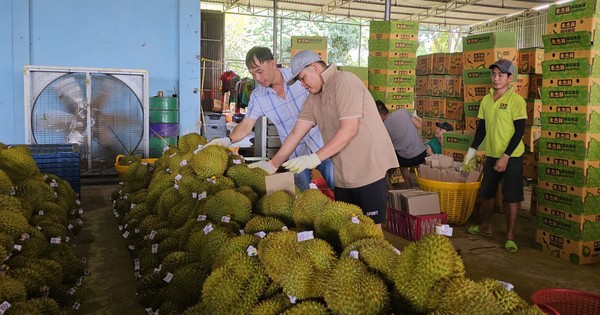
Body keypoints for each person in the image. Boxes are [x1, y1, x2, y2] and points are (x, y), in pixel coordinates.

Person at [253, 50, 398, 227]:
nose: (302, 85)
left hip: (367, 168)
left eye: (302, 78)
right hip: (343, 174)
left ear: (314, 67)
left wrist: (315, 157)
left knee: (370, 230)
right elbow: (296, 133)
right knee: (349, 228)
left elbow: (349, 129)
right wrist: (272, 164)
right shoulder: (314, 98)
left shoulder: (344, 81)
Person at [205, 46, 334, 191]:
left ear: (272, 63)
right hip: (293, 153)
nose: (257, 78)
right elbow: (247, 124)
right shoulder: (258, 96)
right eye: (253, 74)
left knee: (340, 186)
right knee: (301, 198)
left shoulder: (298, 76)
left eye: (259, 71)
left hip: (322, 143)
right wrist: (227, 140)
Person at [463, 59, 527, 253]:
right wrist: (471, 152)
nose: (496, 78)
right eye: (494, 74)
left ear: (510, 78)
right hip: (492, 154)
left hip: (512, 156)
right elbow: (481, 129)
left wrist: (506, 157)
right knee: (487, 193)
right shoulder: (486, 100)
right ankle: (485, 227)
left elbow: (519, 132)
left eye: (500, 75)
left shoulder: (516, 101)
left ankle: (510, 237)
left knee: (511, 196)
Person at [376, 101, 426, 189]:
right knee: (403, 153)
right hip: (422, 153)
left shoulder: (383, 128)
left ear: (380, 116)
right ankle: (422, 186)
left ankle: (395, 191)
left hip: (407, 159)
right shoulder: (403, 111)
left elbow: (386, 148)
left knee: (385, 168)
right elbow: (418, 125)